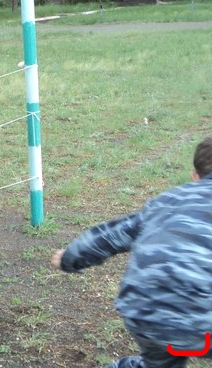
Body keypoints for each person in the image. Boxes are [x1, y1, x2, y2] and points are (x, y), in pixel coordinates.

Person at [51, 136, 212, 368]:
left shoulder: (166, 201)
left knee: (159, 363)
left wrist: (70, 258)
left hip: (145, 311)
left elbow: (112, 235)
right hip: (203, 321)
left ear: (195, 177)